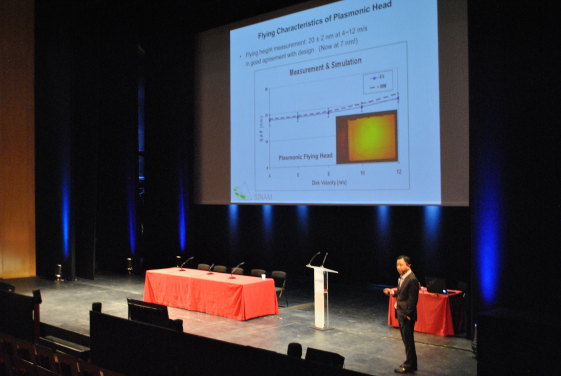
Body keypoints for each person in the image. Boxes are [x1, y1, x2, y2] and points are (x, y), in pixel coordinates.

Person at [383, 255, 419, 373]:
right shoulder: (403, 277)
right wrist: (393, 292)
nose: (398, 267)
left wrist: (408, 314)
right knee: (406, 340)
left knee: (408, 341)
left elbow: (413, 299)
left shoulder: (412, 279)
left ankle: (409, 365)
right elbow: (402, 293)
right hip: (401, 312)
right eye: (397, 265)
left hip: (406, 315)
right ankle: (412, 363)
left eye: (401, 265)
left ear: (408, 265)